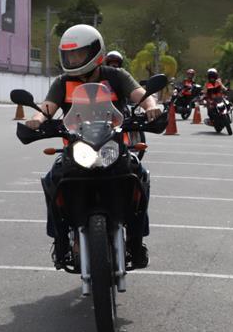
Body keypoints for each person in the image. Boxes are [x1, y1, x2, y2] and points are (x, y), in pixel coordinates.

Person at [27, 24, 163, 270]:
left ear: (95, 52)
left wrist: (151, 106)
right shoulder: (62, 82)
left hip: (113, 146)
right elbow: (47, 107)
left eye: (79, 53)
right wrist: (36, 120)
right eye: (70, 54)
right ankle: (59, 241)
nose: (74, 59)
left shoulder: (116, 76)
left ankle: (135, 240)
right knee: (51, 181)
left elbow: (140, 94)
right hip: (77, 150)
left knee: (140, 177)